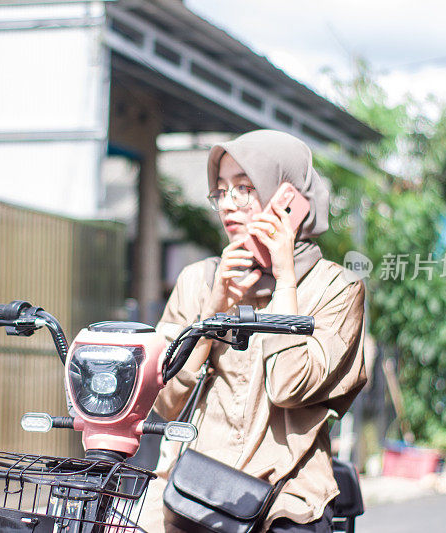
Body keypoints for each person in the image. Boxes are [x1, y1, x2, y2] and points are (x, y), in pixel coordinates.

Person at [138, 130, 367, 533]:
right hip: (193, 496)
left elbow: (289, 386)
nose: (229, 203)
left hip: (287, 501)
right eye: (222, 191)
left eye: (245, 188)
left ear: (290, 200)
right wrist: (213, 310)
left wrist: (285, 280)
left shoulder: (337, 289)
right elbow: (167, 403)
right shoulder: (198, 281)